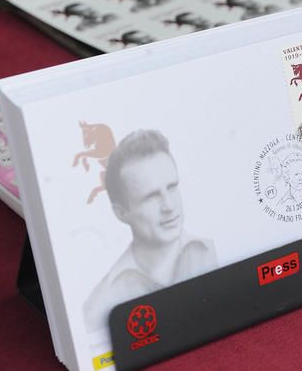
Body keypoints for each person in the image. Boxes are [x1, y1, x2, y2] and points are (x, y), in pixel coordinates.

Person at [83, 129, 217, 332]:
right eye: (151, 197)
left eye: (172, 187)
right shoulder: (100, 307)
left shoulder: (216, 252)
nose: (169, 206)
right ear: (121, 213)